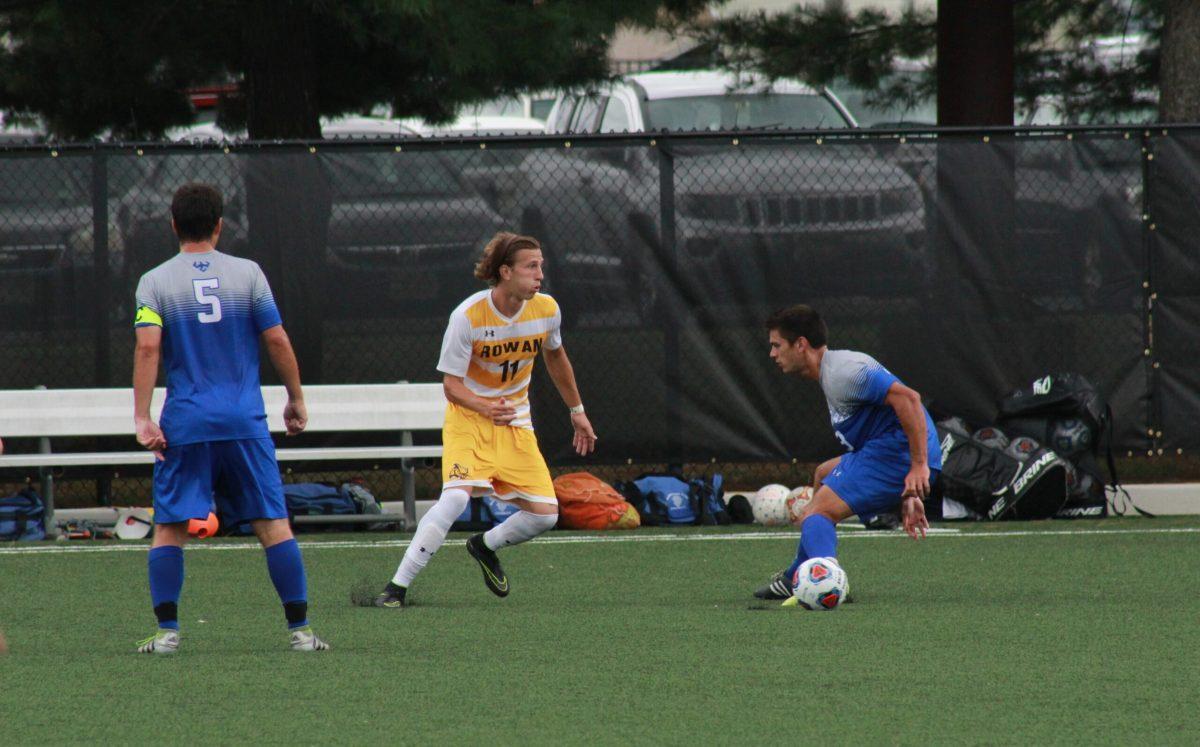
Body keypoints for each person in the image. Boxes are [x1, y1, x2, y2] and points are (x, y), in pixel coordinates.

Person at [132, 183, 329, 653]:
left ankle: (168, 633)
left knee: (170, 527)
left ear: (174, 225)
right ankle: (300, 632)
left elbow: (147, 347)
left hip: (186, 422)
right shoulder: (249, 275)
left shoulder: (155, 281)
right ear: (220, 225)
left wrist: (142, 417)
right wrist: (296, 399)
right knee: (272, 523)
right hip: (244, 421)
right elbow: (277, 340)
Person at [367, 231, 597, 608]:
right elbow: (452, 387)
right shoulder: (468, 317)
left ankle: (483, 545)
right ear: (505, 271)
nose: (540, 274)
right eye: (531, 266)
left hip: (516, 424)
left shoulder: (547, 309)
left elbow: (555, 357)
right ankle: (396, 587)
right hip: (469, 420)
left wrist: (578, 412)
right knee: (456, 498)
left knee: (546, 515)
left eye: (542, 266)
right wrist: (486, 407)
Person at [753, 305, 941, 601]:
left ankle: (827, 581)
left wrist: (918, 466)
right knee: (822, 474)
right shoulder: (832, 375)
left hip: (895, 451)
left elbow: (910, 399)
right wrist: (910, 492)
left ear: (801, 344)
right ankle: (795, 576)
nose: (772, 354)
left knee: (818, 512)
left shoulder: (844, 372)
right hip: (889, 450)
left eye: (777, 345)